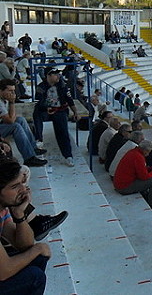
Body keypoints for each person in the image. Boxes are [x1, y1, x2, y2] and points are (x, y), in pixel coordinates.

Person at [0, 158, 52, 295]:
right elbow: (4, 272)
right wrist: (38, 248)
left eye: (22, 183)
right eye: (15, 186)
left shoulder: (2, 209)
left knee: (37, 258)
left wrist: (19, 214)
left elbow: (25, 245)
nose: (24, 189)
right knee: (35, 276)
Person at [33, 68, 78, 167]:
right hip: (45, 110)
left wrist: (75, 112)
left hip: (59, 110)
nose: (58, 76)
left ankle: (68, 156)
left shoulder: (62, 85)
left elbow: (69, 99)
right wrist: (46, 107)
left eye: (58, 74)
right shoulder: (41, 86)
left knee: (63, 132)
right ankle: (38, 139)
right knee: (37, 113)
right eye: (55, 74)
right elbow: (38, 102)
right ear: (48, 76)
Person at [0, 79, 47, 167]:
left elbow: (11, 118)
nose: (13, 94)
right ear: (1, 90)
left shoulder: (4, 98)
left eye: (14, 90)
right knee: (16, 127)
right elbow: (10, 121)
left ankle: (33, 148)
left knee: (21, 119)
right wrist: (12, 102)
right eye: (10, 90)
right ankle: (29, 158)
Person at [113, 139, 152, 214]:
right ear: (145, 150)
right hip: (124, 187)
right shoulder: (138, 157)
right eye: (149, 151)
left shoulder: (133, 152)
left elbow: (139, 169)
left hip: (120, 183)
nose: (149, 153)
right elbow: (144, 177)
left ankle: (146, 195)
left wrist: (151, 168)